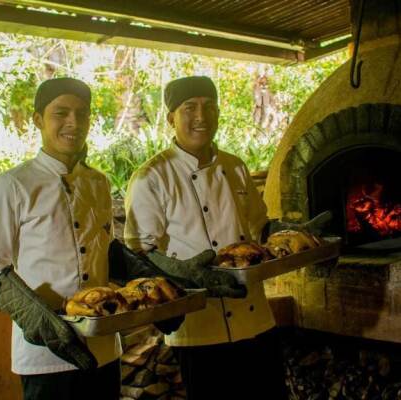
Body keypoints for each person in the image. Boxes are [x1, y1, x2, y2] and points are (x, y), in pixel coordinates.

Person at [124, 76, 288, 400]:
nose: (201, 116)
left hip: (255, 317)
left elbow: (259, 227)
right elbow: (140, 254)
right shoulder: (151, 177)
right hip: (199, 330)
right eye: (190, 108)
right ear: (171, 118)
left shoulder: (235, 166)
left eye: (209, 106)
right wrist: (185, 273)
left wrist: (293, 234)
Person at [0, 77, 122, 400]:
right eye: (61, 113)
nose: (73, 122)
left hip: (104, 346)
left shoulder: (98, 182)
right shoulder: (12, 184)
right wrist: (34, 316)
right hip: (44, 357)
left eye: (82, 114)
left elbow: (105, 251)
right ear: (38, 120)